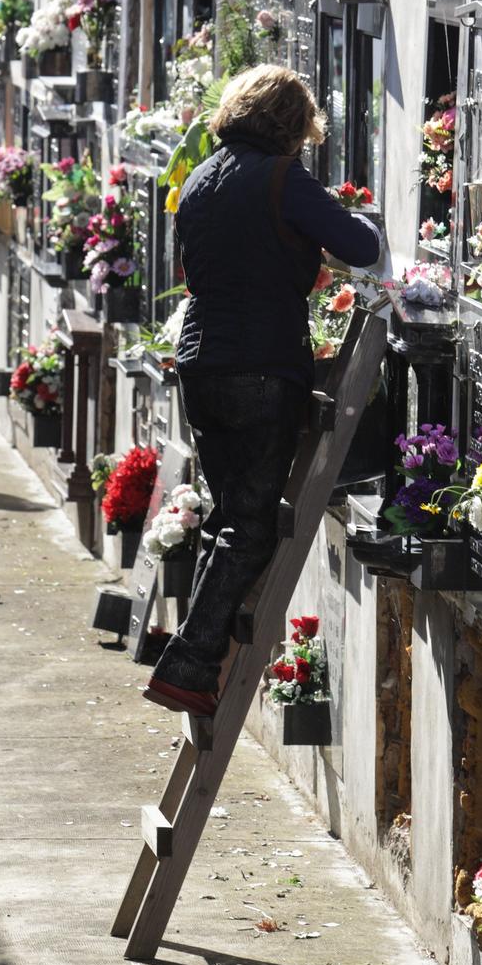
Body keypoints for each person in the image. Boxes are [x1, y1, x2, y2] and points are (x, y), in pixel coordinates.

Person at [144, 65, 382, 720]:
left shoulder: (199, 177)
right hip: (258, 364)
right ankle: (188, 664)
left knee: (226, 518)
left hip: (199, 361)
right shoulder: (281, 178)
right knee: (249, 528)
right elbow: (360, 246)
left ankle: (196, 661)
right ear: (289, 125)